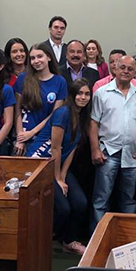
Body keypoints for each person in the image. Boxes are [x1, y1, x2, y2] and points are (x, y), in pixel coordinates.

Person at [90, 56, 136, 230]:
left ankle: (127, 237)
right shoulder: (102, 93)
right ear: (115, 69)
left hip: (132, 153)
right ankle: (98, 238)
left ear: (135, 72)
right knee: (101, 199)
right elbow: (93, 123)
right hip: (108, 152)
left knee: (128, 199)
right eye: (122, 67)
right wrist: (95, 149)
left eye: (130, 69)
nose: (125, 71)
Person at [51, 78, 92, 255]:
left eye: (87, 94)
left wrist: (63, 175)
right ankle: (49, 238)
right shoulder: (62, 113)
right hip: (45, 163)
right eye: (79, 93)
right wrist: (58, 179)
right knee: (63, 208)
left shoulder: (82, 117)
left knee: (81, 203)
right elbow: (55, 148)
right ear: (72, 95)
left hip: (61, 164)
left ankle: (69, 242)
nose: (83, 97)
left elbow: (71, 149)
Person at [13, 44, 67, 156]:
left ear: (49, 57)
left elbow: (54, 114)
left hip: (44, 138)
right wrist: (20, 136)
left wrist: (32, 133)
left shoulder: (60, 81)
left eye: (40, 56)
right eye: (32, 58)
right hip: (23, 137)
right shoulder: (23, 78)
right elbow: (17, 110)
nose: (36, 61)